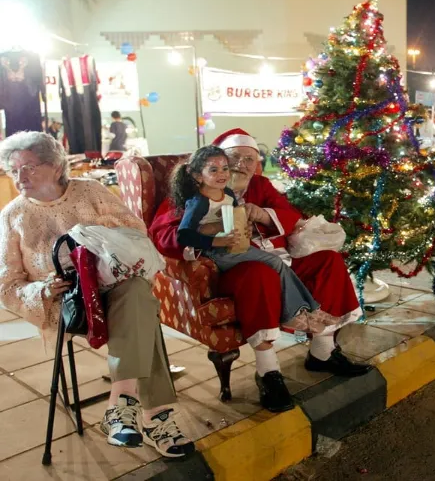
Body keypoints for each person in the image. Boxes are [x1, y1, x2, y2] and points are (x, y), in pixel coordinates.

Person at [0, 132, 194, 458]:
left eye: (30, 167)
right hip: (66, 302)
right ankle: (153, 416)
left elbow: (133, 232)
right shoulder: (12, 215)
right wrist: (43, 289)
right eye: (13, 169)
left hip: (113, 285)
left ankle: (122, 405)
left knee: (135, 293)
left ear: (56, 165)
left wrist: (99, 248)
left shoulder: (90, 191)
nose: (20, 177)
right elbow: (7, 283)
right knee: (141, 312)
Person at [149, 128, 371, 412]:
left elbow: (290, 216)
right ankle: (268, 372)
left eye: (250, 160)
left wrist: (263, 214)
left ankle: (323, 352)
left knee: (327, 260)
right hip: (229, 268)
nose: (242, 165)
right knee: (261, 274)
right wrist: (212, 229)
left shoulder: (261, 186)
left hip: (274, 255)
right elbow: (163, 235)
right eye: (234, 158)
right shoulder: (195, 192)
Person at [171, 145, 337, 333]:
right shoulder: (199, 202)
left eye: (225, 168)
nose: (222, 174)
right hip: (218, 253)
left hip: (235, 246)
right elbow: (183, 234)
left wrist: (244, 228)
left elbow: (234, 218)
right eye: (213, 170)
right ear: (198, 176)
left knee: (277, 263)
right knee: (275, 262)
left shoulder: (228, 194)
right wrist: (215, 241)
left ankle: (310, 309)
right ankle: (296, 313)